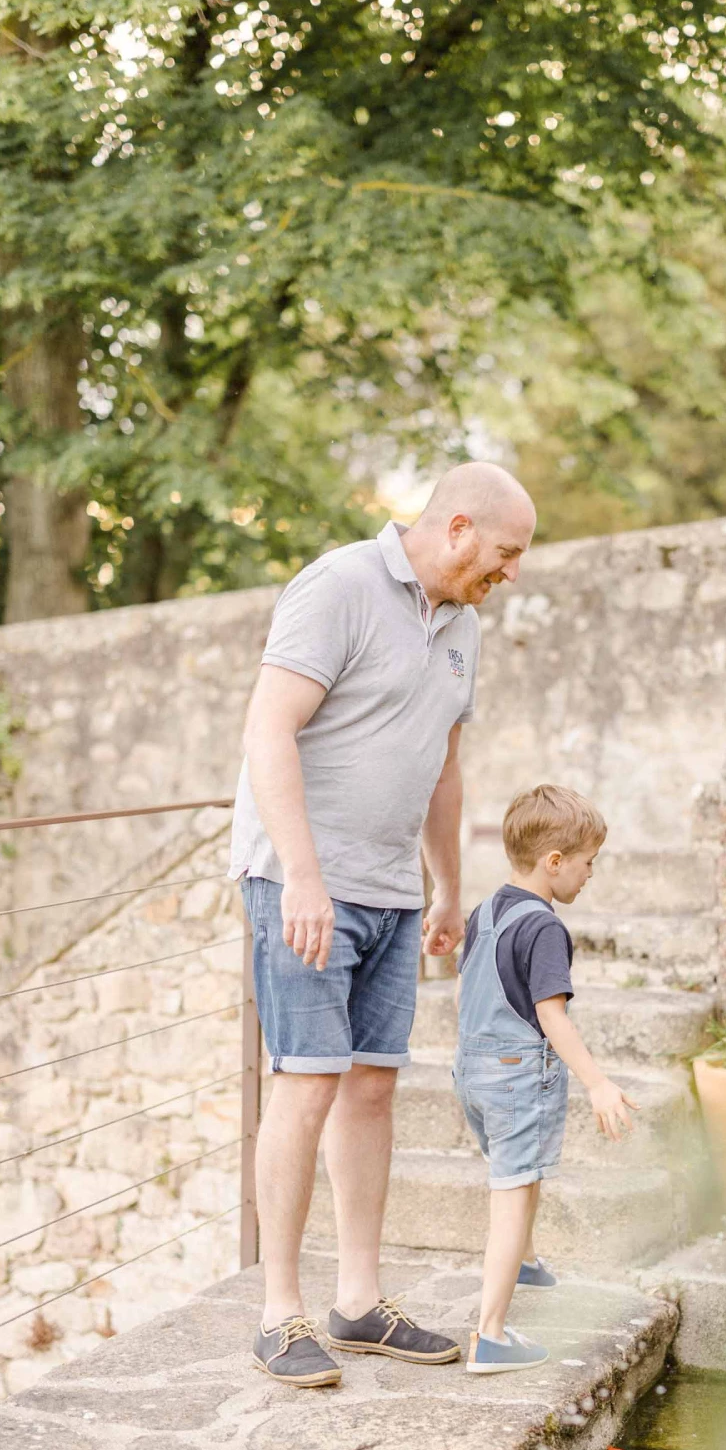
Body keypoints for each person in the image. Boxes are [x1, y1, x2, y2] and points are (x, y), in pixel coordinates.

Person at [229, 462, 536, 1387]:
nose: (511, 573)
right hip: (304, 885)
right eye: (505, 553)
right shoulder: (340, 587)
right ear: (456, 528)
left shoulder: (463, 626)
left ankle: (357, 1303)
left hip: (394, 894)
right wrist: (305, 878)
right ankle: (279, 1313)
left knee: (371, 1090)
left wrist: (446, 885)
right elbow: (267, 729)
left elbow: (442, 766)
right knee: (306, 1084)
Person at [453, 785, 639, 1375]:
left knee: (517, 1171)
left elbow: (464, 992)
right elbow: (551, 1015)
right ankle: (491, 1335)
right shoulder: (545, 929)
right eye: (587, 863)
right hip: (514, 1077)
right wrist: (598, 1084)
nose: (590, 875)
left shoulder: (483, 913)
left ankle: (527, 1261)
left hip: (472, 1073)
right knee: (513, 1191)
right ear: (553, 862)